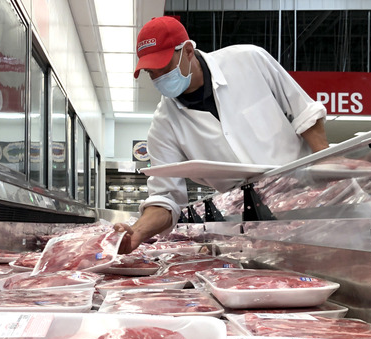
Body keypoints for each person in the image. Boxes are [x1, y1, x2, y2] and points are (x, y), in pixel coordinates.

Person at [115, 16, 329, 253]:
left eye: (164, 68)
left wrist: (327, 165)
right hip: (251, 223)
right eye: (150, 73)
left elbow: (305, 113)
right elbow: (166, 198)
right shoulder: (164, 124)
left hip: (311, 198)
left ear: (187, 51)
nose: (158, 79)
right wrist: (138, 231)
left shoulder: (249, 60)